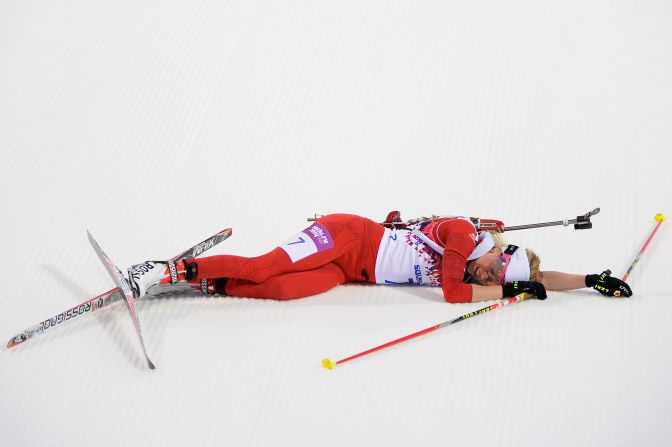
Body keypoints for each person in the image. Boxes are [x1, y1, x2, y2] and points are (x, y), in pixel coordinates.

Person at [128, 213, 632, 303]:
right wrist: (510, 290)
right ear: (498, 258)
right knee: (267, 267)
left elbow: (540, 275)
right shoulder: (463, 240)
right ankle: (162, 269)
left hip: (351, 272)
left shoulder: (487, 250)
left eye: (495, 276)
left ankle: (203, 283)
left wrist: (591, 278)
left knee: (283, 290)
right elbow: (455, 292)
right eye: (495, 271)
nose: (486, 275)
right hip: (347, 236)